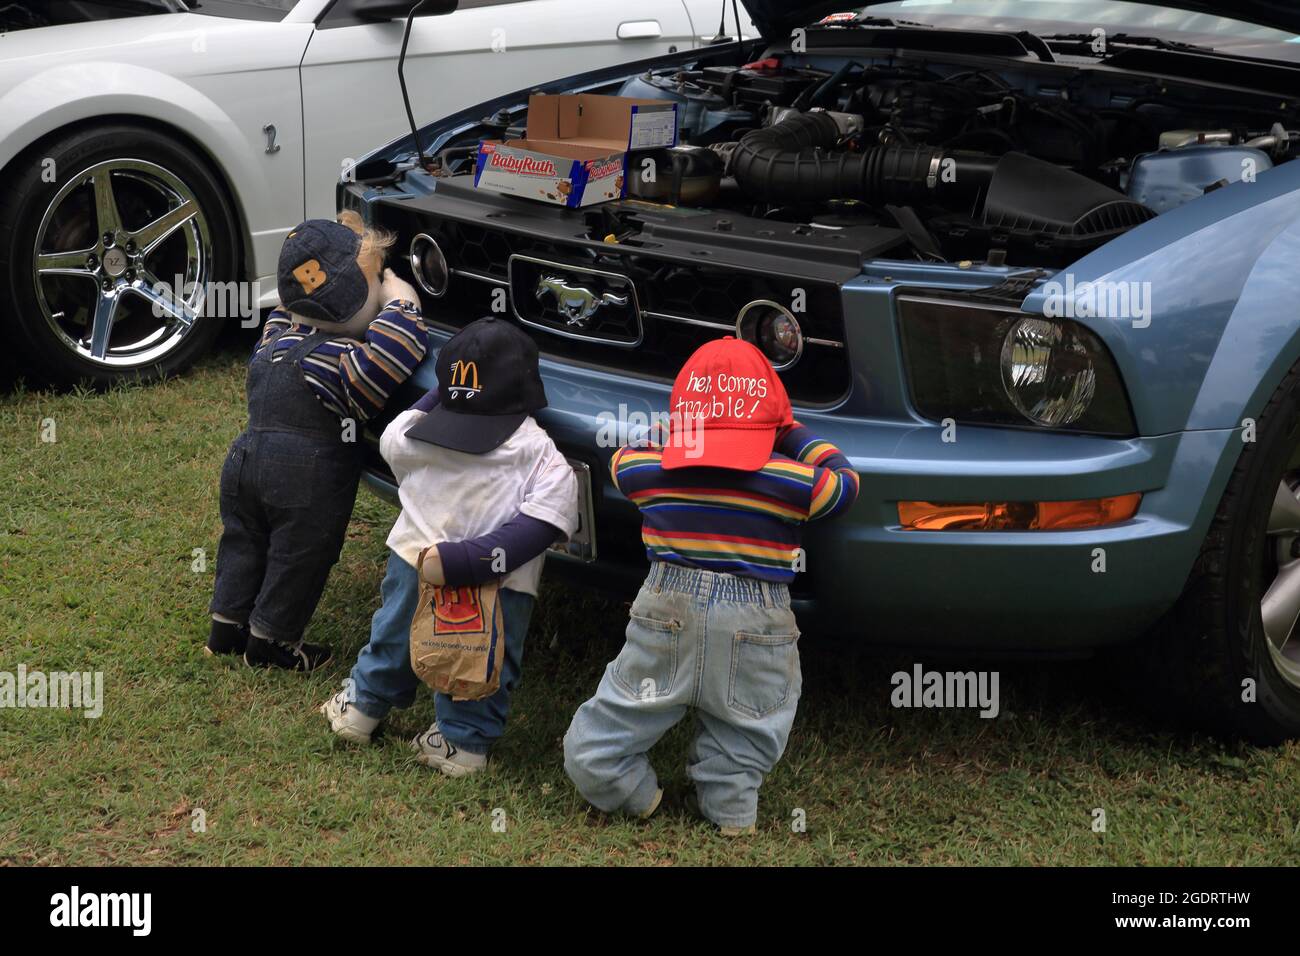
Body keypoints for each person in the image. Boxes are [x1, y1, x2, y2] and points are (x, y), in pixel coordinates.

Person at [563, 336, 859, 834]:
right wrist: (787, 431)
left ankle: (639, 796)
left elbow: (623, 456)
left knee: (594, 746)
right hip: (757, 621)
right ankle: (731, 812)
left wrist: (676, 425)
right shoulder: (790, 482)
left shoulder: (648, 474)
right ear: (771, 424)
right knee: (745, 733)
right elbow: (844, 481)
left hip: (667, 612)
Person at [321, 316, 578, 776]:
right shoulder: (539, 452)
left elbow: (392, 441)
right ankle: (463, 743)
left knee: (396, 636)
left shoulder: (419, 431)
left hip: (415, 561)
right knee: (481, 662)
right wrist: (473, 562)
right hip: (499, 582)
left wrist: (443, 395)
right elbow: (545, 521)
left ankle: (362, 707)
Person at [207, 213, 428, 671]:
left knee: (244, 542)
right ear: (351, 302)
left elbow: (291, 303)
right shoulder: (344, 364)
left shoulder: (272, 339)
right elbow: (396, 350)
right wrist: (400, 303)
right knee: (299, 557)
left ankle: (226, 626)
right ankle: (271, 641)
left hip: (244, 461)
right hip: (303, 480)